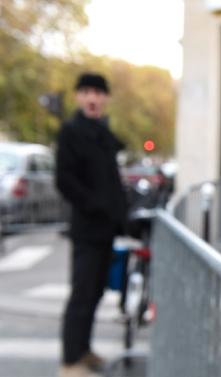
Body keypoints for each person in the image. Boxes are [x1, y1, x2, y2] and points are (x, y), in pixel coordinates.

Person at [56, 73, 127, 377]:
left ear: (105, 98)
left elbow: (112, 181)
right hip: (87, 228)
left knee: (96, 292)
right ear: (78, 97)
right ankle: (71, 361)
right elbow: (65, 181)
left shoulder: (102, 132)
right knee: (82, 294)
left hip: (106, 229)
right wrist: (96, 206)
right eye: (86, 92)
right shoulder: (71, 132)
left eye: (97, 93)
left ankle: (83, 350)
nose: (92, 98)